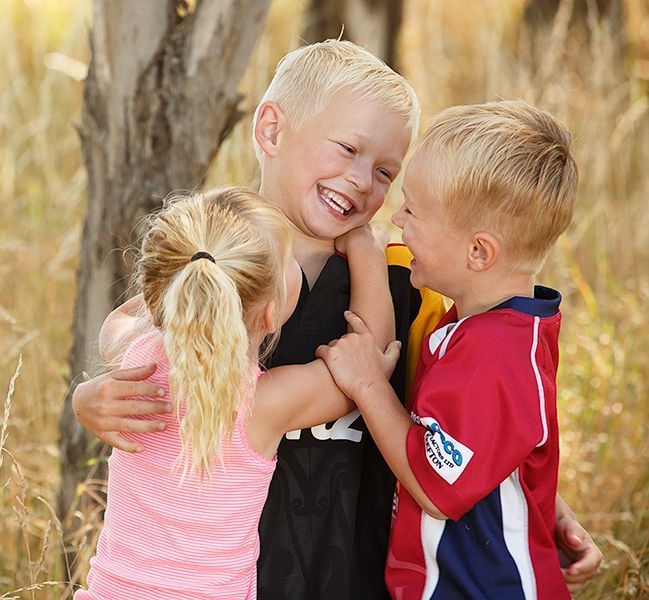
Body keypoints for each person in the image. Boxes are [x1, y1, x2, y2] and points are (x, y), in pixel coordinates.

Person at [70, 40, 602, 598]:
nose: (361, 180)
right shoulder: (216, 259)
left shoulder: (409, 283)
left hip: (357, 561)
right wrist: (92, 397)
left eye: (385, 172)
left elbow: (463, 421)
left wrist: (543, 502)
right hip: (236, 572)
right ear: (272, 131)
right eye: (347, 148)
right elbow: (136, 324)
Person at [317, 100, 582, 598]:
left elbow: (437, 488)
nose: (396, 217)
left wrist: (369, 383)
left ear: (478, 252)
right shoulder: (485, 325)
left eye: (413, 210)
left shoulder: (494, 355)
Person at [74, 186, 393, 599]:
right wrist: (365, 248)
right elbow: (369, 358)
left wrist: (184, 270)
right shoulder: (262, 404)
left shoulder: (135, 359)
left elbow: (118, 322)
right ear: (271, 312)